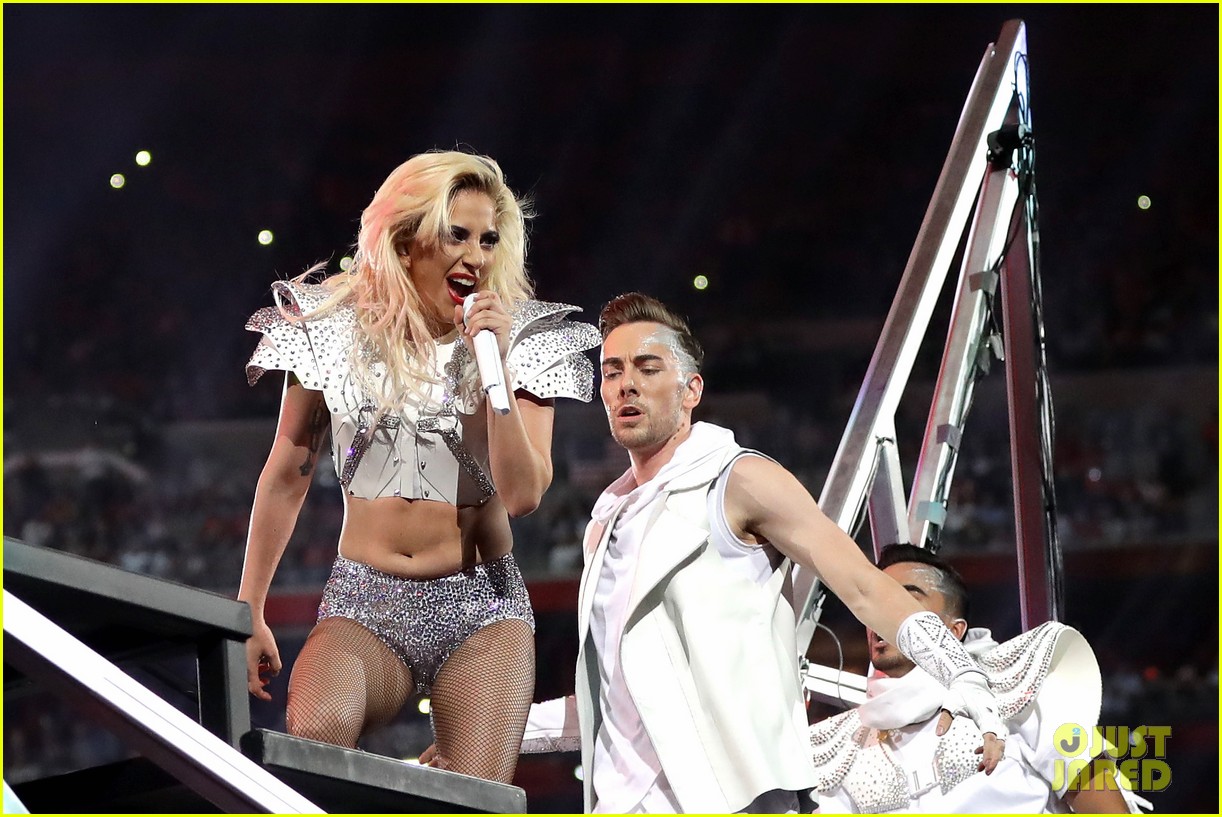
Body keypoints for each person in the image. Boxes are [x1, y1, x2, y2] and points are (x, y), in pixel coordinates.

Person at [512, 292, 1006, 813]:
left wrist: (963, 674)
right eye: (612, 372)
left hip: (736, 798)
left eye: (648, 368)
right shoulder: (606, 521)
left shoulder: (739, 479)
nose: (626, 384)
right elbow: (615, 699)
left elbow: (862, 584)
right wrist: (488, 733)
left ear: (691, 390)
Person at [237, 150, 600, 783]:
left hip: (482, 606)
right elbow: (287, 475)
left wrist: (494, 366)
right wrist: (249, 609)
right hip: (364, 599)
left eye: (488, 239)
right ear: (407, 241)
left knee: (477, 797)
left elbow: (522, 496)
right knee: (314, 739)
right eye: (456, 235)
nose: (476, 256)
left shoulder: (525, 340)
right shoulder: (332, 328)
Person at [809, 544, 1148, 813]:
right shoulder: (839, 749)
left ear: (953, 630)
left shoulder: (1019, 687)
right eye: (875, 603)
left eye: (904, 599)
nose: (883, 615)